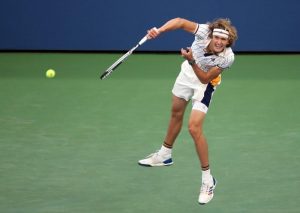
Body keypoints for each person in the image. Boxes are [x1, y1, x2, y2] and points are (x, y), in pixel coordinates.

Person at [138, 17, 238, 205]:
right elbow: (180, 22)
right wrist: (158, 31)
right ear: (211, 34)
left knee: (194, 128)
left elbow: (205, 78)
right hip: (186, 74)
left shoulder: (227, 57)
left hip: (205, 84)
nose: (218, 42)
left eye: (223, 40)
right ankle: (164, 155)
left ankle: (208, 180)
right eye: (216, 37)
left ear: (228, 42)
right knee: (176, 113)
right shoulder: (203, 31)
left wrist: (192, 60)